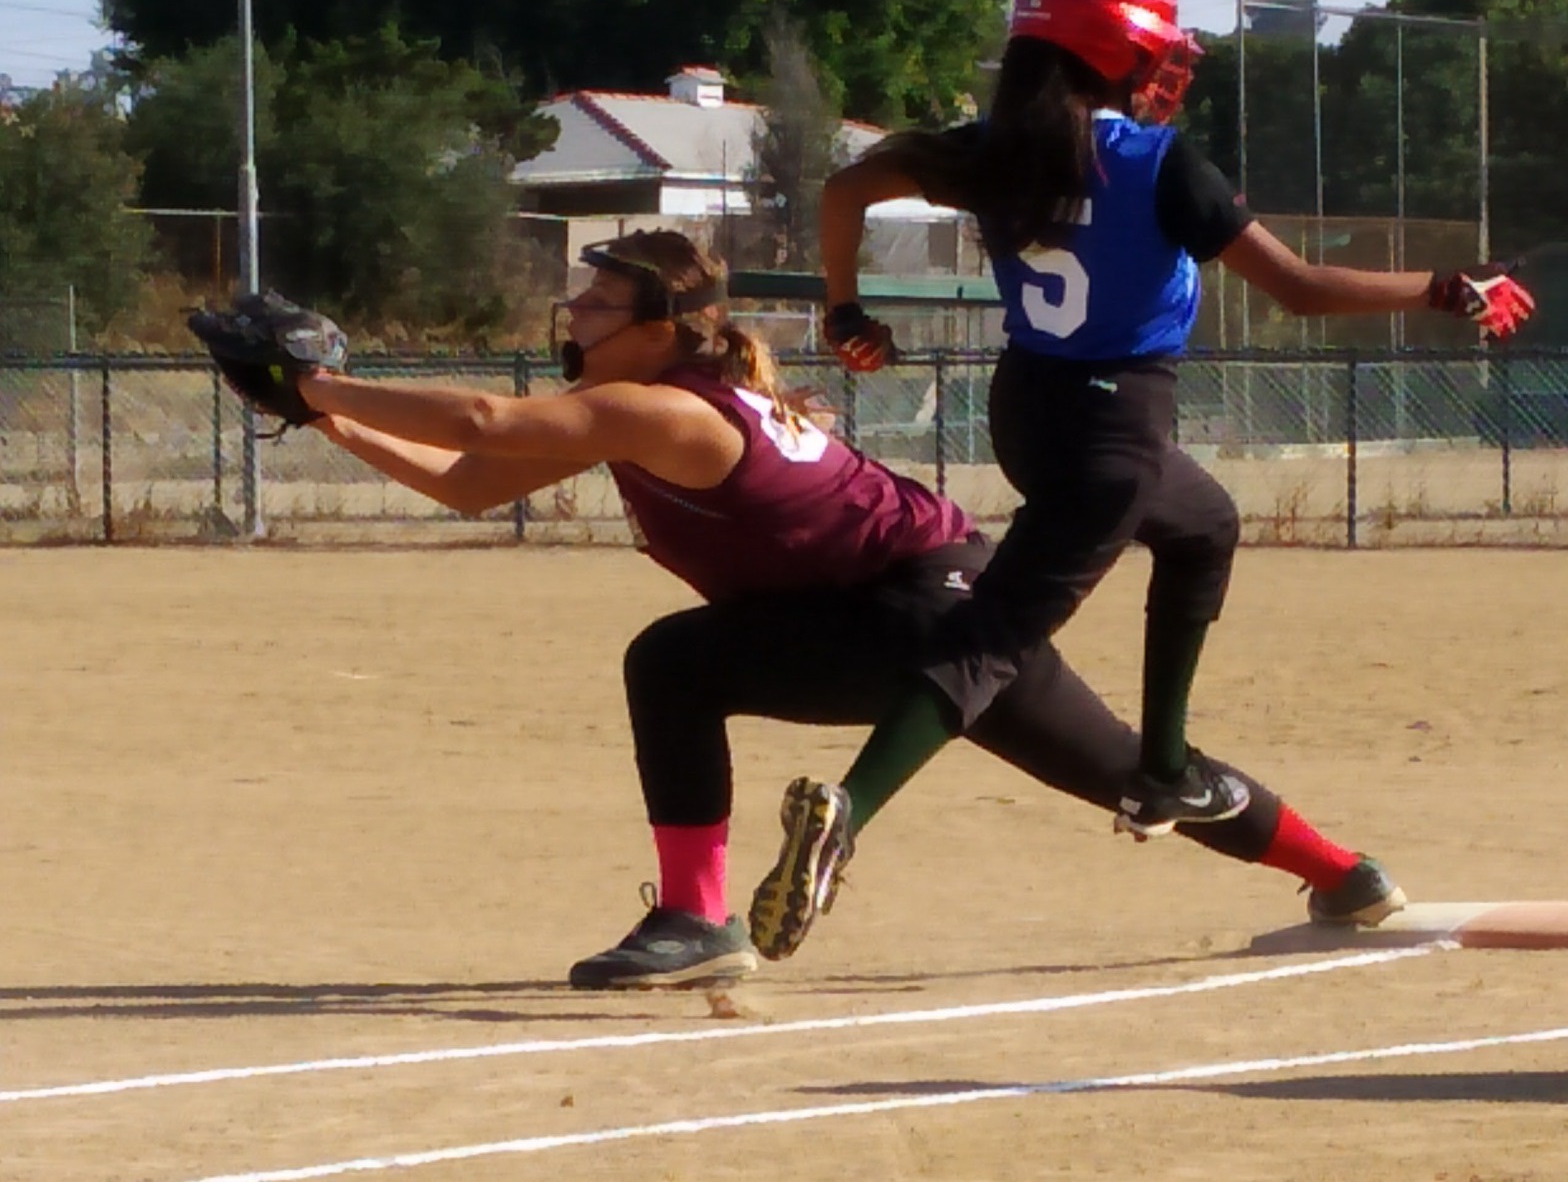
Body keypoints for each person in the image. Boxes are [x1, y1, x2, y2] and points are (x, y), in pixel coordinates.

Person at [290, 228, 1408, 988]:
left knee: (676, 662)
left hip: (925, 601)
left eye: (596, 300)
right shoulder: (637, 403)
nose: (573, 310)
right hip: (911, 606)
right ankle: (1342, 874)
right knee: (1118, 763)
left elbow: (483, 423)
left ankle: (696, 916)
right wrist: (322, 421)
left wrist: (320, 384)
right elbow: (469, 480)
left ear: (663, 326)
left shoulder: (667, 410)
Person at [816, 0, 1535, 846]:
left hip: (1030, 407)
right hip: (1111, 429)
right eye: (1153, 45)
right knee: (991, 640)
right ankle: (848, 812)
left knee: (1205, 527)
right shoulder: (1160, 165)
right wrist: (1442, 289)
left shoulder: (986, 151)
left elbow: (844, 191)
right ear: (1114, 48)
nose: (1165, 64)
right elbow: (1298, 288)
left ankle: (1164, 770)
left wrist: (845, 314)